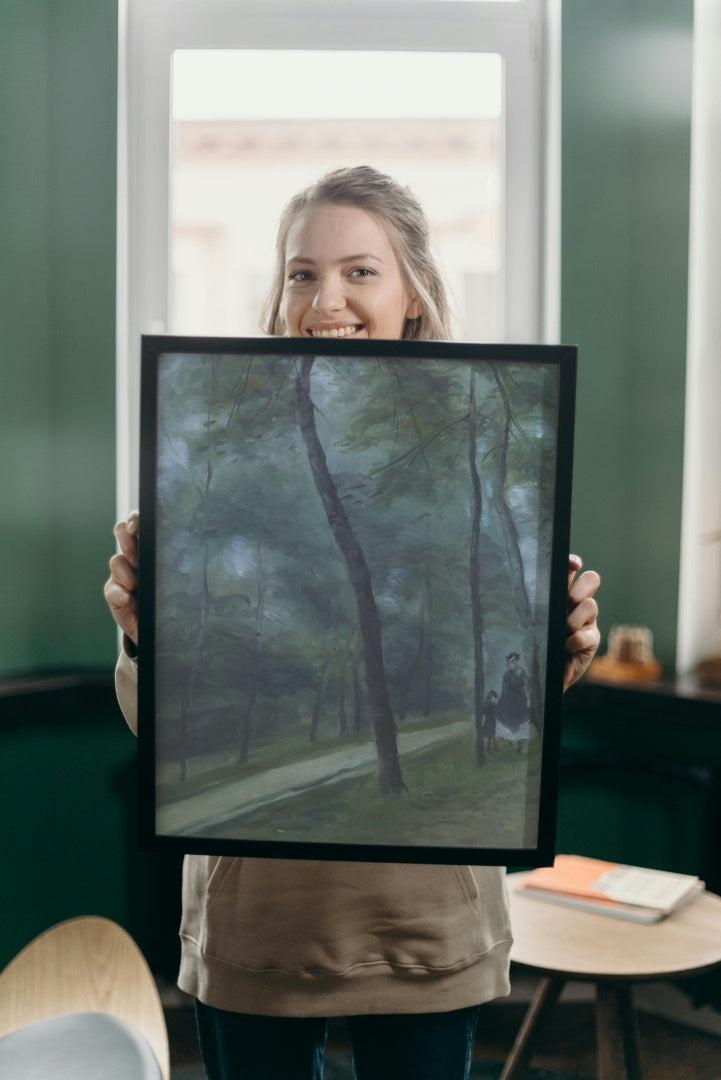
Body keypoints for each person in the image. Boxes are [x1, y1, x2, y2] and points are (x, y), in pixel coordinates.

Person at [105, 166, 601, 1080]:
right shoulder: (207, 436)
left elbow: (510, 705)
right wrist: (144, 637)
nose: (324, 298)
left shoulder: (487, 438)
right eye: (301, 272)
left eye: (359, 271)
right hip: (256, 928)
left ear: (412, 292)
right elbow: (160, 730)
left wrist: (558, 648)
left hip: (425, 925)